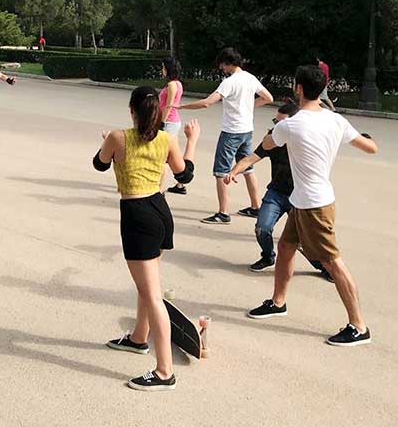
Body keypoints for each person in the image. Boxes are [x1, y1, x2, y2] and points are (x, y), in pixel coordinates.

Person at [247, 65, 378, 347]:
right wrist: (367, 138)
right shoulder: (335, 120)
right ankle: (278, 302)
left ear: (298, 89)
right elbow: (371, 148)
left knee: (333, 263)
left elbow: (265, 145)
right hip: (304, 201)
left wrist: (240, 166)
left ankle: (359, 326)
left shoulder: (290, 125)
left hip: (314, 206)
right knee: (284, 247)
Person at [95, 87, 200, 391]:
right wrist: (192, 142)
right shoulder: (167, 139)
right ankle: (139, 338)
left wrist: (107, 143)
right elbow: (185, 175)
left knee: (153, 294)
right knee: (147, 284)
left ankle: (164, 371)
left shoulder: (117, 137)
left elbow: (99, 164)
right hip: (160, 210)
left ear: (132, 110)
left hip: (137, 214)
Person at [225, 102, 333, 279]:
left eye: (281, 124)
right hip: (276, 193)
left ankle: (325, 267)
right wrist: (234, 171)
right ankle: (268, 257)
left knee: (305, 240)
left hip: (300, 197)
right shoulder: (271, 140)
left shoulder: (306, 140)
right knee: (262, 228)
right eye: (276, 121)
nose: (277, 127)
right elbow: (251, 158)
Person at [176, 47, 273, 224]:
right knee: (247, 167)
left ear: (228, 63)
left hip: (231, 132)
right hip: (246, 130)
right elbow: (268, 98)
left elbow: (207, 103)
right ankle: (255, 207)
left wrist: (182, 107)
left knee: (220, 171)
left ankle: (223, 213)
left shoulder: (229, 82)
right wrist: (248, 107)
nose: (221, 68)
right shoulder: (250, 78)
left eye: (222, 64)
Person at [159, 57, 187, 195]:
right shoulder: (177, 83)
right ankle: (181, 183)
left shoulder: (171, 85)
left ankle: (159, 189)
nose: (162, 70)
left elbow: (169, 105)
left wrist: (161, 122)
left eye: (163, 67)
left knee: (162, 156)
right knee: (173, 153)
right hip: (173, 121)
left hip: (169, 121)